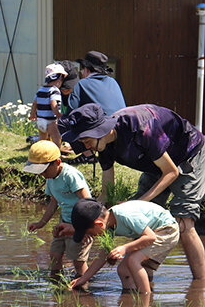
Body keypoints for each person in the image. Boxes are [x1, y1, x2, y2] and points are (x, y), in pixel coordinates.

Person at [61, 103, 205, 279]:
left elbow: (171, 172)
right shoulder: (103, 145)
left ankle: (199, 287)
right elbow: (106, 192)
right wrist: (83, 224)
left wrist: (139, 202)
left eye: (86, 141)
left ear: (100, 131)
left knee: (184, 221)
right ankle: (143, 277)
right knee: (140, 220)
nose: (86, 147)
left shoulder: (142, 128)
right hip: (155, 163)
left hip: (187, 154)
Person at [69, 198, 179, 294]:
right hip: (153, 232)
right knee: (123, 269)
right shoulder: (109, 224)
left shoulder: (124, 215)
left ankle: (145, 298)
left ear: (99, 224)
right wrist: (83, 279)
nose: (90, 236)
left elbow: (150, 237)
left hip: (167, 229)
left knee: (132, 260)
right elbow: (102, 257)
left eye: (90, 233)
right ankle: (131, 297)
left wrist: (124, 248)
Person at [25, 140, 92, 279]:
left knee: (78, 260)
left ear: (57, 162)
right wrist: (40, 223)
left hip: (79, 222)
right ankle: (55, 281)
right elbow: (53, 202)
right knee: (54, 255)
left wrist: (84, 228)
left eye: (43, 170)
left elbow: (87, 202)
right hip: (64, 221)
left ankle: (84, 286)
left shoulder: (70, 175)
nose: (41, 174)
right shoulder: (50, 177)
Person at [68, 51, 126, 116]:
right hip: (121, 124)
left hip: (100, 125)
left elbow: (70, 114)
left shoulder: (82, 84)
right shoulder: (113, 82)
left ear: (87, 69)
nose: (81, 73)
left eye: (82, 69)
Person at [29, 63, 67, 148]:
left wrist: (32, 114)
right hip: (51, 121)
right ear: (59, 79)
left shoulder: (40, 90)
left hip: (40, 120)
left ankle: (41, 154)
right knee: (56, 138)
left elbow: (35, 103)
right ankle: (57, 155)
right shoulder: (55, 90)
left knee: (42, 140)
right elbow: (53, 103)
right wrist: (58, 114)